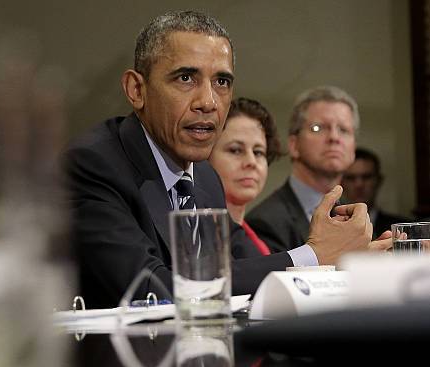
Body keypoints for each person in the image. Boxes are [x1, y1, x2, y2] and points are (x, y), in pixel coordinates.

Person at [65, 12, 381, 309]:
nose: (208, 102)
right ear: (137, 89)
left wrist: (360, 258)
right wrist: (315, 255)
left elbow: (247, 266)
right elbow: (153, 290)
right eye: (186, 78)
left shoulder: (203, 177)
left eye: (222, 82)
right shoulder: (93, 165)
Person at [246, 86, 377, 253]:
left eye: (343, 130)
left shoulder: (355, 217)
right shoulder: (265, 222)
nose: (334, 138)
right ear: (294, 145)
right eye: (318, 128)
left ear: (353, 149)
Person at [209, 97, 280, 255]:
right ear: (206, 155)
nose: (251, 162)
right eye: (235, 150)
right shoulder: (197, 237)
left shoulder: (258, 242)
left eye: (258, 152)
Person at [341, 147, 411, 237]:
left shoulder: (403, 229)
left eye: (366, 177)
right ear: (341, 183)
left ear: (379, 180)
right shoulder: (330, 229)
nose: (359, 184)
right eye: (351, 178)